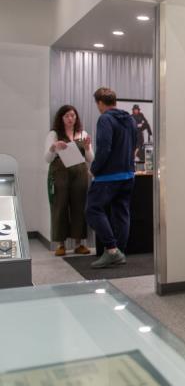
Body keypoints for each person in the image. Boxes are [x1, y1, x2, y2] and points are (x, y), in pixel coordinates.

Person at [85, 87, 139, 269]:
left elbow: (104, 148)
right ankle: (120, 251)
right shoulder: (130, 120)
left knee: (92, 210)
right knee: (121, 212)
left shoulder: (105, 119)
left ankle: (112, 251)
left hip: (108, 177)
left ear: (100, 103)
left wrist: (94, 169)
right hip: (128, 175)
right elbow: (135, 146)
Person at [44, 105, 94, 256]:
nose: (71, 118)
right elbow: (47, 159)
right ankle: (61, 244)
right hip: (59, 173)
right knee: (60, 206)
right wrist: (53, 148)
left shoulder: (82, 133)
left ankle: (79, 244)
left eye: (73, 115)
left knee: (80, 206)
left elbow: (91, 158)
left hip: (80, 174)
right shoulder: (54, 134)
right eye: (67, 116)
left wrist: (86, 148)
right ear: (61, 118)